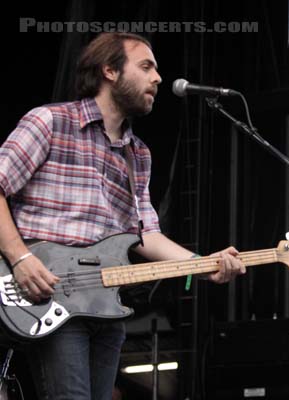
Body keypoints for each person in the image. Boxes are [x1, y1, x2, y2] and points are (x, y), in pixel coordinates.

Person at [0, 32, 246, 400]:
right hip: (46, 292)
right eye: (146, 67)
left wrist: (203, 263)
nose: (158, 78)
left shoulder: (138, 155)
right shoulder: (50, 122)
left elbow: (146, 234)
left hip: (103, 305)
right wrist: (20, 258)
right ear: (110, 71)